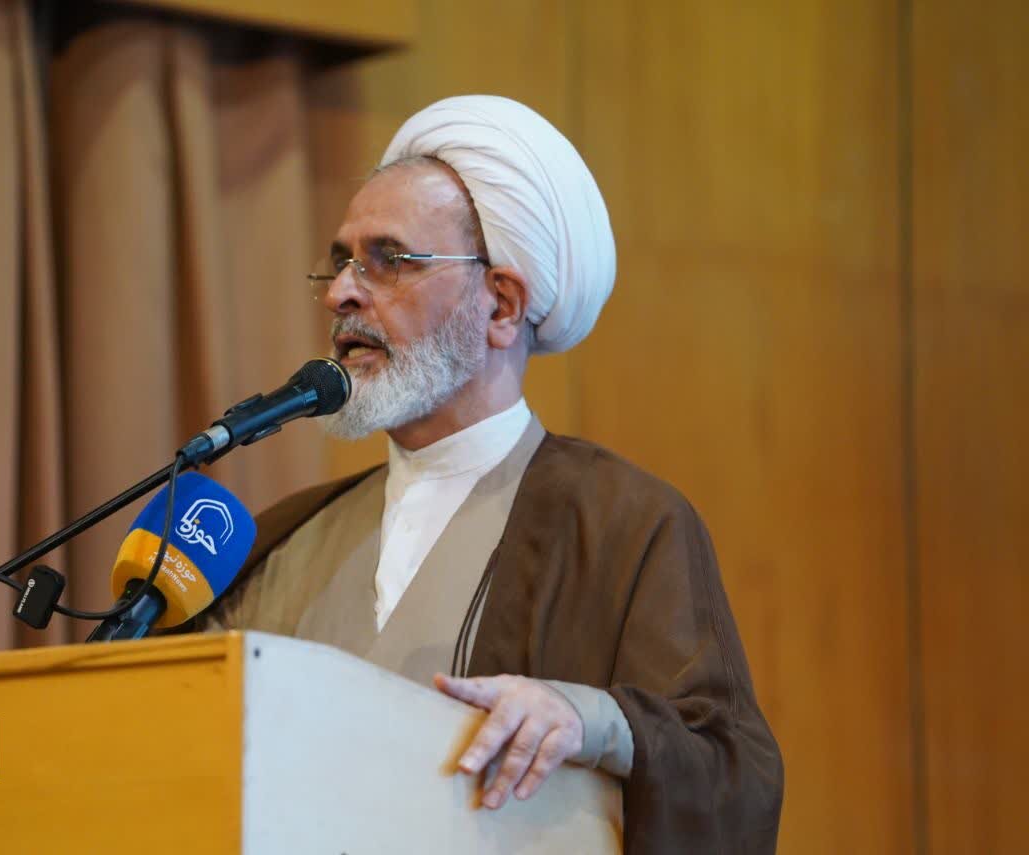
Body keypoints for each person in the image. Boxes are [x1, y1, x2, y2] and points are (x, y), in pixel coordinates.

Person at [193, 95, 783, 853]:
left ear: (501, 306)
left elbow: (730, 770)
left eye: (388, 260)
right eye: (341, 261)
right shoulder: (285, 538)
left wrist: (590, 721)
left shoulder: (623, 523)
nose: (342, 292)